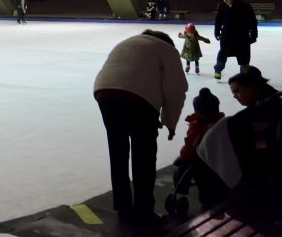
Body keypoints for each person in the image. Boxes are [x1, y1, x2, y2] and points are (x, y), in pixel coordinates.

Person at [93, 30, 188, 226]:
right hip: (139, 97)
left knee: (117, 151)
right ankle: (144, 211)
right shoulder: (167, 49)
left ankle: (123, 206)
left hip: (104, 91)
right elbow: (176, 89)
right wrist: (170, 122)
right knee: (143, 154)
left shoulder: (128, 41)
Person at [226, 67, 282, 191]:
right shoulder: (272, 101)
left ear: (251, 87)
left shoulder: (254, 117)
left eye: (237, 91)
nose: (235, 96)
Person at [172, 88, 227, 209]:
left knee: (181, 166)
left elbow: (189, 149)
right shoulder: (223, 123)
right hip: (221, 159)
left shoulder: (198, 129)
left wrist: (184, 155)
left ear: (198, 111)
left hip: (202, 161)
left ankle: (181, 193)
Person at [213, 0, 257, 80]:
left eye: (226, 0)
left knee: (244, 58)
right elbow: (218, 20)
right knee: (223, 53)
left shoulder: (245, 6)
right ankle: (218, 69)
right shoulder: (222, 6)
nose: (224, 2)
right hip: (227, 36)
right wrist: (216, 31)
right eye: (223, 0)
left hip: (242, 36)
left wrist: (253, 35)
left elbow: (253, 21)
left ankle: (243, 77)